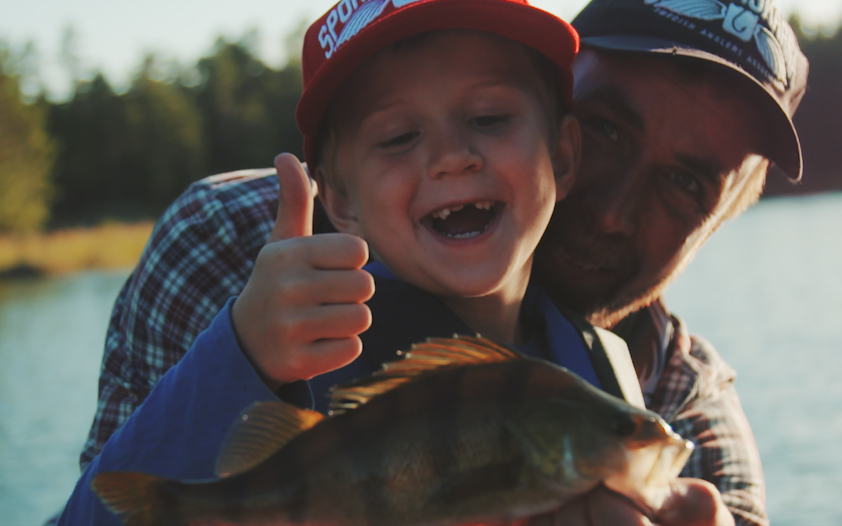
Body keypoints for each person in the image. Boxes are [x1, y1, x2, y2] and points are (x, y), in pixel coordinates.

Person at [71, 0, 808, 524]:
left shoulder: (679, 403)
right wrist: (240, 356)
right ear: (338, 197)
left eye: (685, 182)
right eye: (614, 128)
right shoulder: (234, 246)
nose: (453, 157)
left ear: (558, 148)